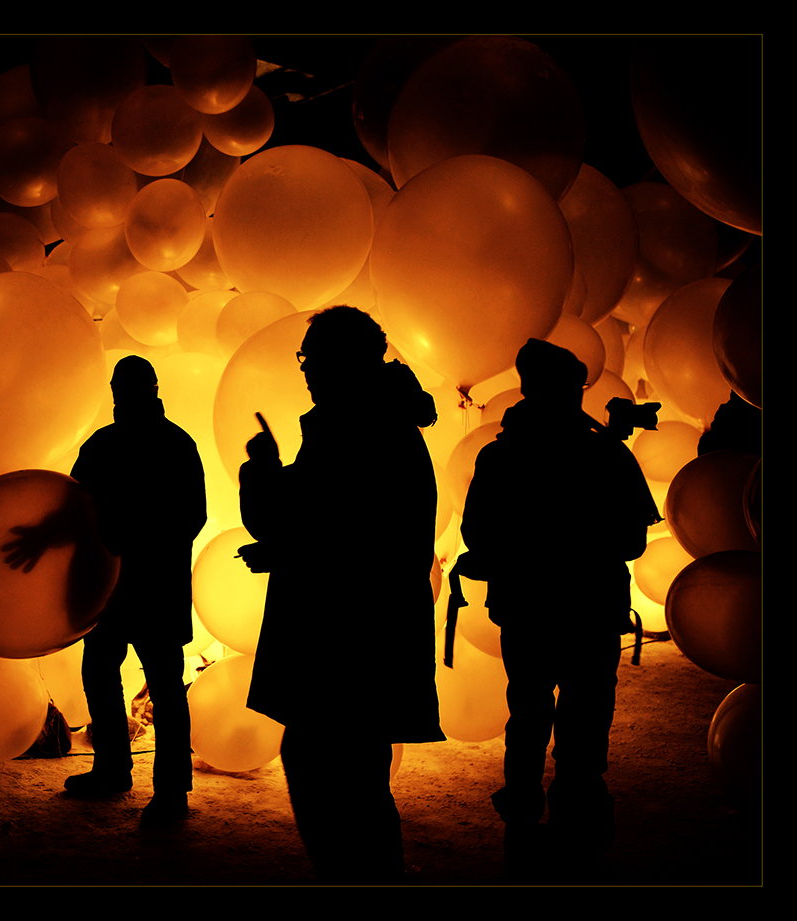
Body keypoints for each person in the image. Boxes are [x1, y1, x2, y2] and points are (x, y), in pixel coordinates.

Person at [237, 305, 444, 884]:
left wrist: (261, 473)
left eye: (311, 357)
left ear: (340, 360)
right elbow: (352, 528)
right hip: (375, 629)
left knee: (324, 768)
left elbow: (298, 517)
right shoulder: (388, 424)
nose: (304, 370)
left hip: (338, 637)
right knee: (356, 775)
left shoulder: (347, 429)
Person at [460, 338, 659, 870]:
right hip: (590, 612)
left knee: (527, 715)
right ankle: (576, 824)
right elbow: (633, 543)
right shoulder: (605, 454)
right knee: (586, 720)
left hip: (527, 610)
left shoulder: (500, 456)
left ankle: (523, 824)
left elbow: (478, 536)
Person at [56, 355, 206, 828]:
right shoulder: (171, 444)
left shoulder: (126, 444)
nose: (123, 397)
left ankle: (151, 783)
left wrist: (124, 537)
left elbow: (190, 516)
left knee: (156, 684)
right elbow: (74, 503)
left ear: (147, 389)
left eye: (127, 388)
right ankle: (125, 773)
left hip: (135, 586)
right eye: (120, 389)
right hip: (132, 586)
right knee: (119, 676)